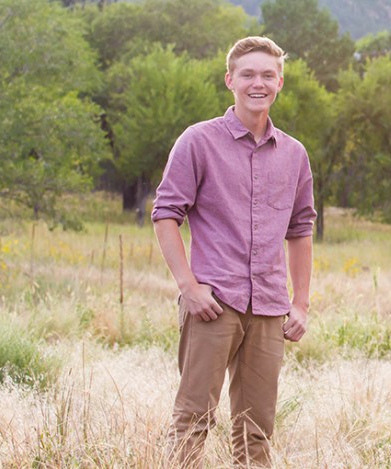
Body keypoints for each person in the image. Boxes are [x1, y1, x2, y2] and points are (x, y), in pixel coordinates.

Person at [152, 36, 315, 467]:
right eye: (248, 75)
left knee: (256, 430)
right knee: (193, 419)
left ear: (279, 82)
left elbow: (301, 230)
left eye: (267, 75)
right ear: (230, 80)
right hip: (214, 303)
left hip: (269, 308)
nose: (257, 83)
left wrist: (300, 302)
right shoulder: (198, 141)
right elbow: (165, 214)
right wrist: (188, 287)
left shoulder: (294, 154)